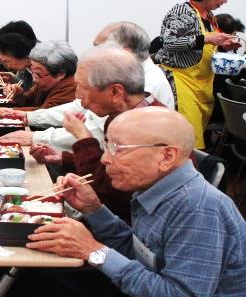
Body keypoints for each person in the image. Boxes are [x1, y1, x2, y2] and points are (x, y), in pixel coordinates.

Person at [27, 107, 246, 297]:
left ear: (166, 156)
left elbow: (178, 293)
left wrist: (94, 250)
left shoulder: (198, 207)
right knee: (38, 276)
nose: (104, 159)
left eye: (117, 149)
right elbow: (141, 254)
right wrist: (93, 209)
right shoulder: (154, 187)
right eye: (106, 146)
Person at [30, 45, 166, 222]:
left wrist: (83, 137)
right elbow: (108, 170)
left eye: (82, 87)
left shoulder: (148, 127)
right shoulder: (123, 115)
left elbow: (107, 190)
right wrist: (64, 159)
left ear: (115, 92)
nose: (78, 96)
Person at [5, 21, 174, 151]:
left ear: (125, 53)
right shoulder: (126, 76)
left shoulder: (147, 85)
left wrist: (37, 137)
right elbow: (80, 107)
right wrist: (27, 118)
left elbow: (97, 132)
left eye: (100, 49)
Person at [154, 0, 240, 149]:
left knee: (194, 138)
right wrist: (207, 39)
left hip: (201, 85)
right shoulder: (182, 11)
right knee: (185, 141)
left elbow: (206, 46)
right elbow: (168, 42)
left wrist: (225, 46)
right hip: (181, 83)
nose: (225, 1)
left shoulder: (209, 17)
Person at [0, 40, 77, 117]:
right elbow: (30, 99)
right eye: (32, 71)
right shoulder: (45, 80)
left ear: (60, 74)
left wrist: (2, 112)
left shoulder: (71, 87)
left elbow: (43, 115)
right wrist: (18, 95)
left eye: (38, 74)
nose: (34, 78)